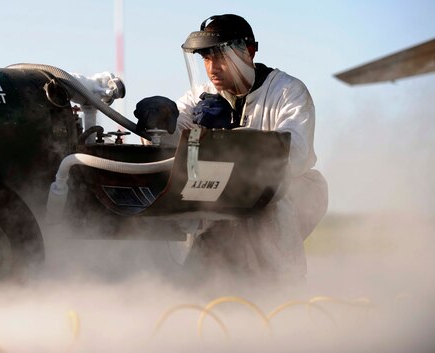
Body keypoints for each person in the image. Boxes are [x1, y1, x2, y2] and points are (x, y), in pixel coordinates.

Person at [136, 14, 328, 283]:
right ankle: (194, 287)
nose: (213, 68)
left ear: (249, 52)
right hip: (227, 192)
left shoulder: (287, 91)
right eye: (206, 58)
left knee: (269, 205)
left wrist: (228, 135)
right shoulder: (200, 96)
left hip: (291, 191)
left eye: (221, 57)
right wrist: (158, 123)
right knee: (197, 208)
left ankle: (283, 289)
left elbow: (293, 155)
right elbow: (170, 142)